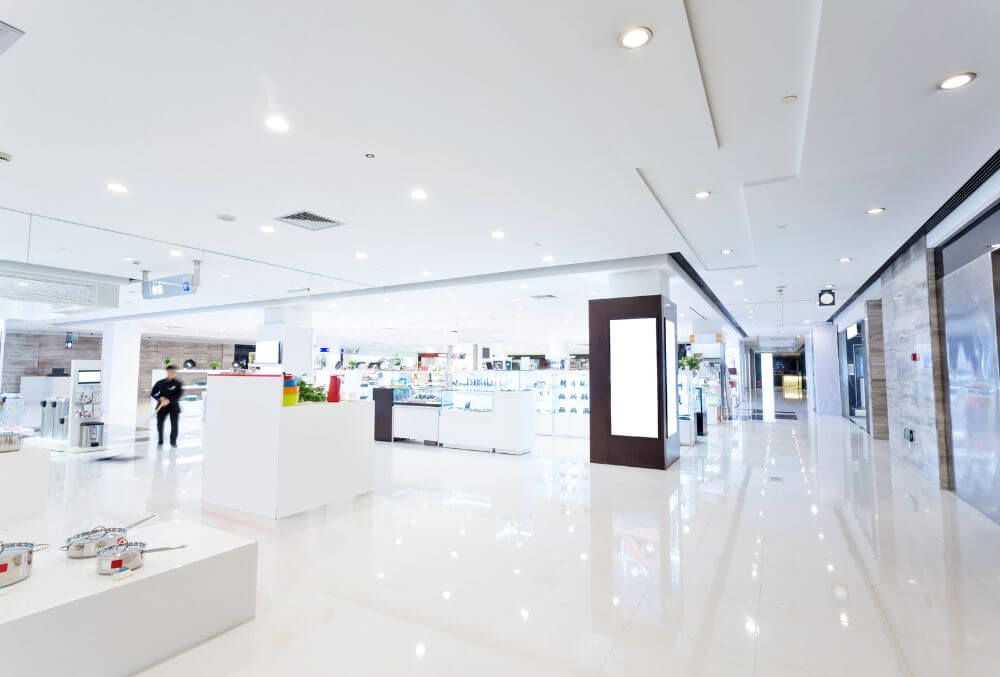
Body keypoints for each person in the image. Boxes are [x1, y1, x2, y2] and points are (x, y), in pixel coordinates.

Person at [151, 365, 184, 447]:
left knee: (174, 424)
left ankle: (173, 441)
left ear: (175, 373)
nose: (171, 373)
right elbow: (153, 393)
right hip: (162, 407)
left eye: (173, 372)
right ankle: (160, 440)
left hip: (174, 407)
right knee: (159, 424)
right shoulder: (160, 383)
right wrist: (160, 398)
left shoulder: (178, 384)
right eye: (170, 372)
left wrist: (169, 400)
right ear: (167, 372)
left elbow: (179, 395)